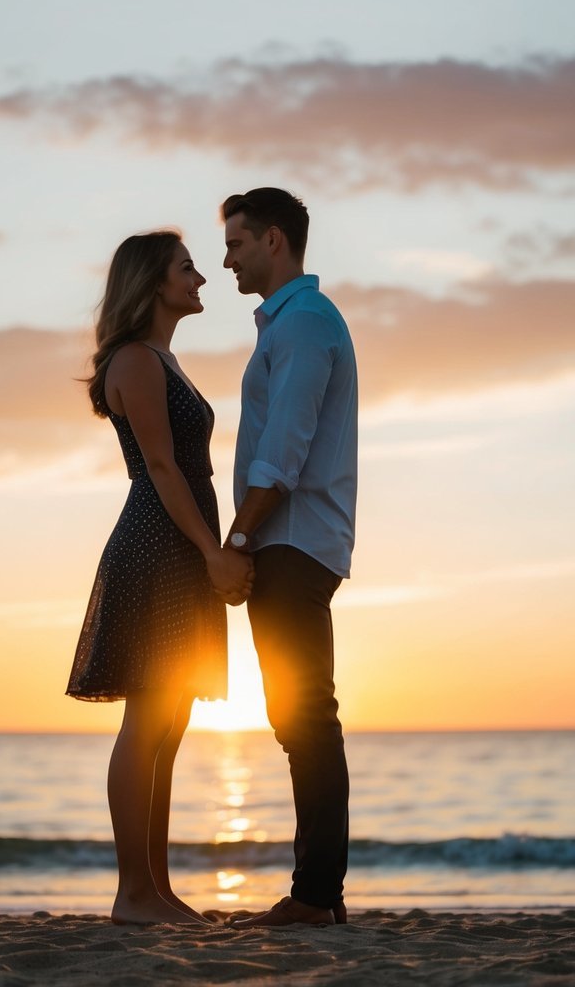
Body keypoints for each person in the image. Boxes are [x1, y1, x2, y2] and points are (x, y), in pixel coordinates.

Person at [66, 230, 253, 925]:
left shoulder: (162, 359)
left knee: (169, 722)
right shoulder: (137, 361)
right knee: (146, 718)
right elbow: (164, 468)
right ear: (151, 283)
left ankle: (157, 889)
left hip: (177, 543)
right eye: (186, 269)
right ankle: (131, 893)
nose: (201, 278)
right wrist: (212, 550)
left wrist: (206, 548)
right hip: (157, 543)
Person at [216, 188, 358, 927]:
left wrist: (239, 537)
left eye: (236, 244)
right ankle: (318, 894)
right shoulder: (292, 324)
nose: (226, 259)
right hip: (293, 540)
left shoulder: (302, 324)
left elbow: (285, 450)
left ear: (274, 241)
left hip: (292, 541)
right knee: (297, 718)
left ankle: (315, 896)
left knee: (305, 718)